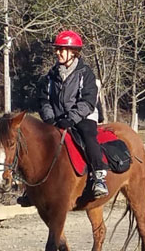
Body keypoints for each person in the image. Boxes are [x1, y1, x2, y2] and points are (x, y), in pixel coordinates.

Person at [17, 30, 108, 206]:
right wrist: (49, 118)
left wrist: (72, 118)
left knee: (88, 136)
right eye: (57, 49)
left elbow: (88, 101)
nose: (57, 52)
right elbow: (44, 100)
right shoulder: (51, 76)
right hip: (57, 119)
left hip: (83, 116)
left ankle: (99, 177)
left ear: (73, 52)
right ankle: (32, 188)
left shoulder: (85, 73)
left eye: (62, 49)